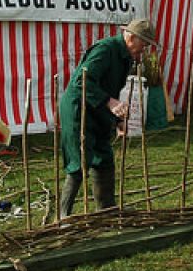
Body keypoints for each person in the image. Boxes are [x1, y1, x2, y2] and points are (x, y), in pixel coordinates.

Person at [58, 18, 157, 217]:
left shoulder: (127, 56)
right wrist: (111, 103)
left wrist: (118, 120)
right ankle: (62, 216)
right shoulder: (105, 50)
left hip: (98, 108)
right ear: (130, 37)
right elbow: (81, 81)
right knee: (79, 161)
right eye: (143, 42)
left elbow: (110, 87)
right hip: (79, 108)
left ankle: (107, 210)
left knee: (103, 156)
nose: (145, 48)